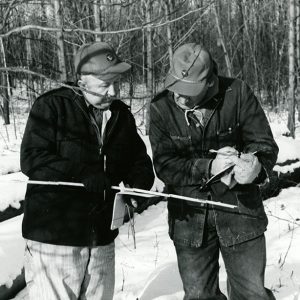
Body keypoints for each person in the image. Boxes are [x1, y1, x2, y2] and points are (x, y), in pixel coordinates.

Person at [21, 41, 154, 300]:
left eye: (116, 82)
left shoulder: (120, 115)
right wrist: (80, 173)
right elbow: (32, 158)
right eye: (105, 84)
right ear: (82, 81)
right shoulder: (52, 107)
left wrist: (139, 186)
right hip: (57, 239)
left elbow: (137, 159)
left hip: (101, 237)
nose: (113, 91)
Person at [149, 43, 278, 300]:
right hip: (190, 218)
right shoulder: (160, 107)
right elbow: (164, 165)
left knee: (252, 294)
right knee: (198, 296)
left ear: (210, 82)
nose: (180, 96)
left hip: (241, 212)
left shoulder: (237, 92)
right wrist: (209, 167)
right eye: (176, 87)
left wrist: (255, 167)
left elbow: (264, 145)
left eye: (188, 91)